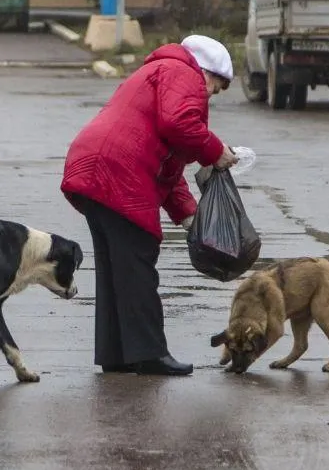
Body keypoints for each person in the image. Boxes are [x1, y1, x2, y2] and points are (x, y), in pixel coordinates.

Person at [61, 34, 239, 376]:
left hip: (94, 168)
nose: (210, 96)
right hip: (118, 171)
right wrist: (215, 152)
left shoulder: (159, 72)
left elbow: (168, 166)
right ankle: (148, 353)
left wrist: (188, 215)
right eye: (214, 87)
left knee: (117, 269)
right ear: (206, 71)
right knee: (138, 261)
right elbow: (179, 124)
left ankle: (116, 354)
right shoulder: (182, 72)